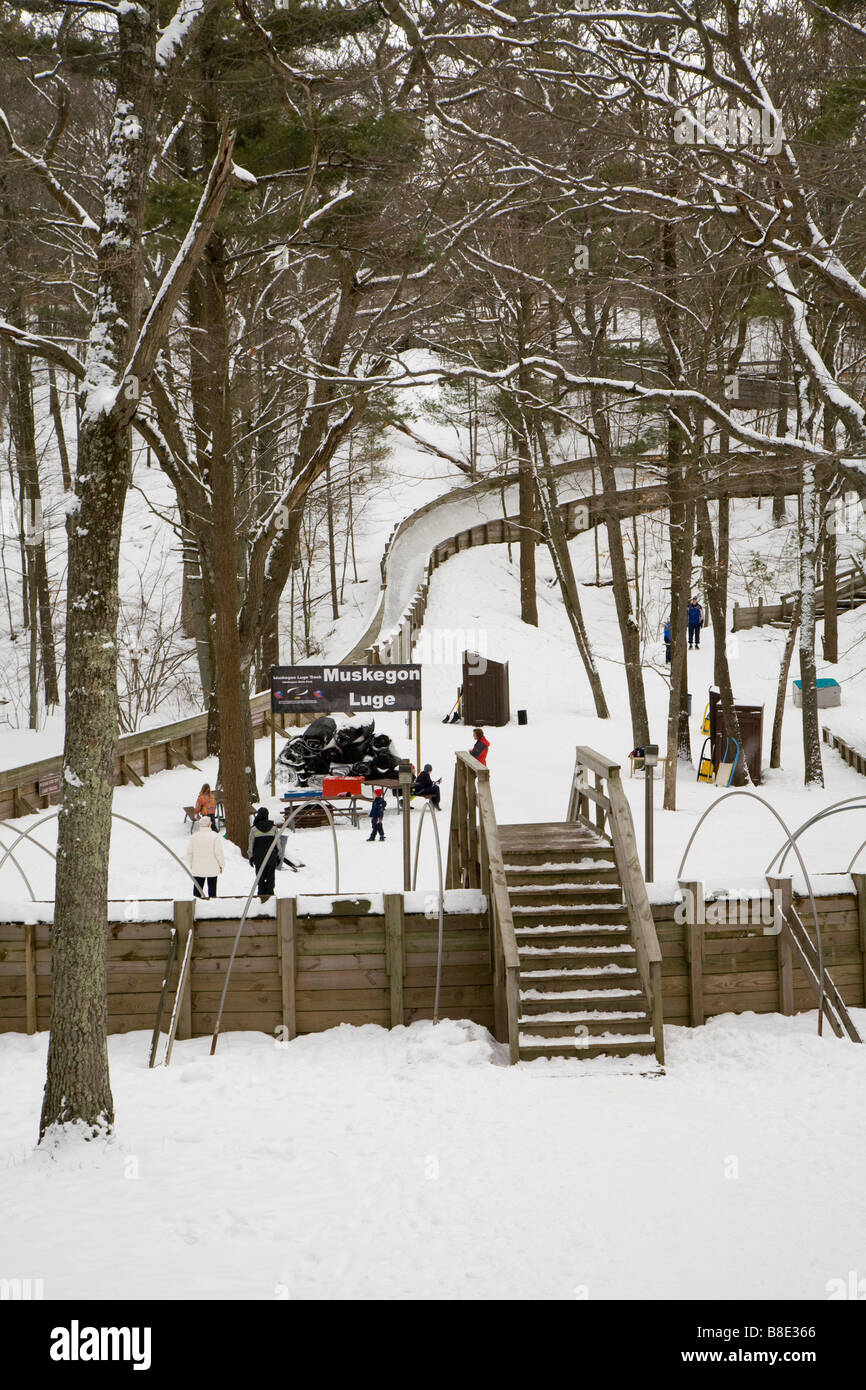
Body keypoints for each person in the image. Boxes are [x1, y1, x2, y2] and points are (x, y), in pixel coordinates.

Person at [186, 816, 225, 899]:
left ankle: (196, 905)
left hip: (198, 868)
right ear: (209, 824)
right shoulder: (214, 836)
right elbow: (218, 853)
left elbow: (189, 853)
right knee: (212, 891)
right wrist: (222, 865)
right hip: (212, 868)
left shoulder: (194, 836)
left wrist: (191, 865)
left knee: (197, 891)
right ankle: (212, 906)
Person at [248, 806, 279, 900]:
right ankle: (270, 896)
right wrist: (278, 855)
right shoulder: (274, 828)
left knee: (260, 878)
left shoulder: (254, 829)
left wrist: (251, 857)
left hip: (259, 858)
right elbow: (278, 844)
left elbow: (251, 845)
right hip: (271, 856)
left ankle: (261, 897)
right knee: (270, 877)